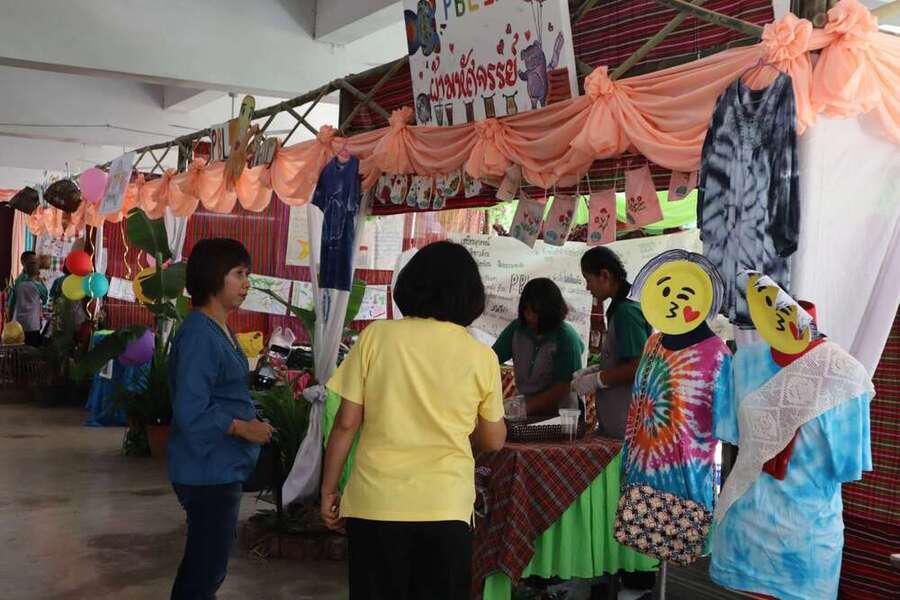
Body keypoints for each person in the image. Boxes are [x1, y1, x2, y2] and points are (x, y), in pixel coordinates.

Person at [320, 240, 506, 600]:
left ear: (411, 283)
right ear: (470, 295)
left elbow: (346, 424)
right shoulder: (481, 356)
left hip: (376, 503)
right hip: (446, 505)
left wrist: (328, 489)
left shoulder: (376, 337)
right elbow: (494, 440)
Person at [168, 238, 274, 600]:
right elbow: (191, 408)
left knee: (206, 566)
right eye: (239, 274)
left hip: (220, 466)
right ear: (214, 276)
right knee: (205, 571)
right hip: (207, 468)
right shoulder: (200, 333)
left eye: (247, 274)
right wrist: (244, 428)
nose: (246, 283)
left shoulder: (219, 328)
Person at [573, 247, 651, 439]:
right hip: (619, 423)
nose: (587, 287)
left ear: (605, 276)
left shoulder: (627, 312)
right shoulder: (622, 306)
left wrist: (596, 380)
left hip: (627, 427)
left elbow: (637, 366)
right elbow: (621, 359)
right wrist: (595, 370)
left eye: (588, 280)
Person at [492, 278, 584, 416]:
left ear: (550, 312)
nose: (529, 317)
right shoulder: (517, 329)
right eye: (526, 310)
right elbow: (491, 358)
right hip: (527, 408)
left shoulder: (566, 337)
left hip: (561, 415)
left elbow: (564, 387)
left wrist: (527, 408)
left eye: (536, 313)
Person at [11, 256, 47, 347]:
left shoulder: (18, 285)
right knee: (32, 350)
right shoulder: (39, 287)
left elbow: (12, 303)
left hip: (18, 323)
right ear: (38, 271)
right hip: (32, 324)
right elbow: (45, 301)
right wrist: (42, 283)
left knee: (19, 349)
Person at [5, 251, 42, 320]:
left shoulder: (35, 279)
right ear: (24, 263)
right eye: (32, 262)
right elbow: (12, 301)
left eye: (35, 262)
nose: (35, 264)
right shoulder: (21, 280)